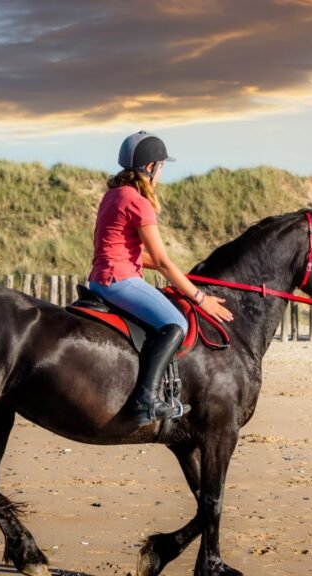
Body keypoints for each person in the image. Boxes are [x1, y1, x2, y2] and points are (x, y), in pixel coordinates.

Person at [88, 131, 233, 425]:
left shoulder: (112, 195)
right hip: (120, 281)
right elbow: (164, 263)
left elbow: (136, 254)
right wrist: (201, 299)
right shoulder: (138, 202)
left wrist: (181, 276)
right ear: (151, 167)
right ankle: (146, 401)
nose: (161, 173)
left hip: (100, 279)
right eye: (162, 167)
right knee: (176, 323)